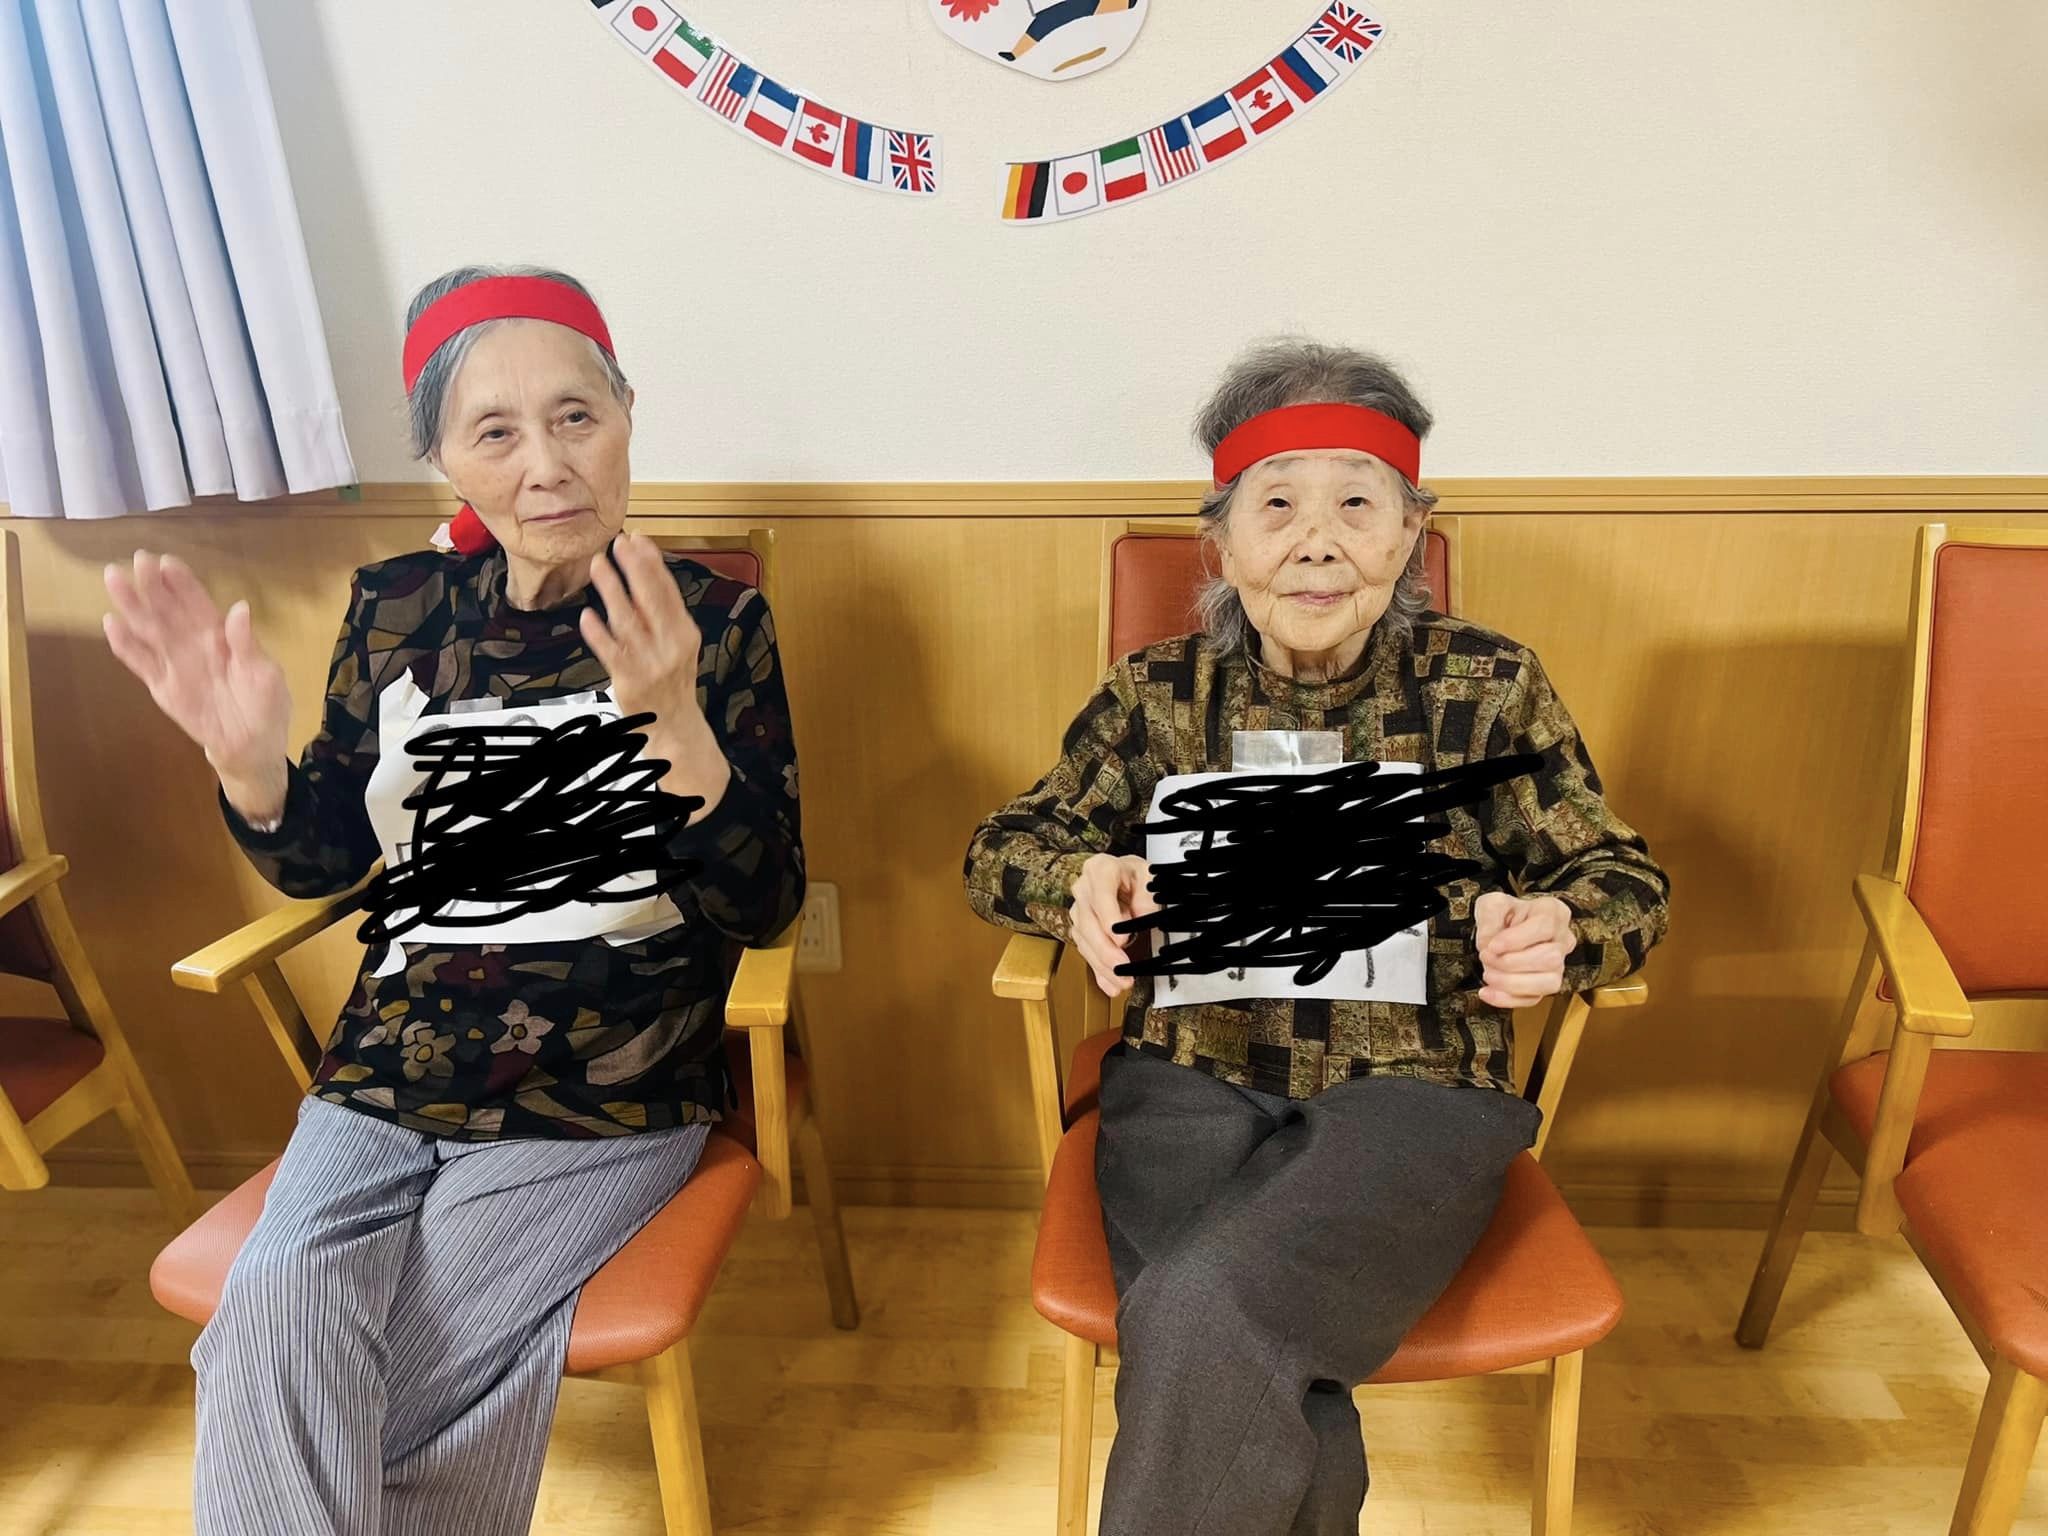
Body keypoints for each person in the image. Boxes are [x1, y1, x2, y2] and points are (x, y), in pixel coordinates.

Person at [102, 265, 803, 1536]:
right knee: (282, 1294)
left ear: (627, 414)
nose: (547, 466)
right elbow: (324, 863)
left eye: (576, 415)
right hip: (387, 1070)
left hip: (608, 1081)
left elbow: (763, 908)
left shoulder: (712, 621)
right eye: (495, 432)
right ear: (442, 460)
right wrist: (249, 767)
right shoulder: (396, 610)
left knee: (319, 1377)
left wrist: (677, 727)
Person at [964, 338, 1669, 1535]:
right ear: (1221, 542)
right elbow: (1002, 847)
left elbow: (1620, 878)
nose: (1316, 541)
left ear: (1409, 534)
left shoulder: (1486, 686)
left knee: (1192, 1313)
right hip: (1188, 1078)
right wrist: (1077, 882)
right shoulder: (1155, 693)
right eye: (1277, 505)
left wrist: (1560, 924)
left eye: (1356, 504)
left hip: (1418, 1091)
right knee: (1226, 1331)